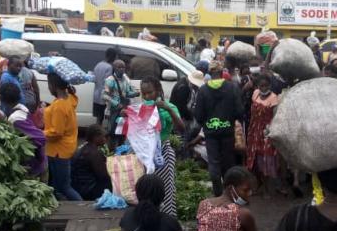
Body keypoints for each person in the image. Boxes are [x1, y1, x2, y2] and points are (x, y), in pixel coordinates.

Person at [194, 60, 244, 196]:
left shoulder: (203, 90)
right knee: (228, 162)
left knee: (214, 162)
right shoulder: (232, 88)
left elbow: (198, 115)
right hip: (227, 133)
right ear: (222, 73)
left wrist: (206, 123)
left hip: (210, 134)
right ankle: (230, 193)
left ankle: (218, 194)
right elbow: (240, 111)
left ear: (209, 73)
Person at [141, 77, 185, 217]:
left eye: (150, 92)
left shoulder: (169, 107)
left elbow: (181, 128)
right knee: (146, 191)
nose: (147, 96)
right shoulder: (142, 108)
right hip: (145, 155)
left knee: (165, 189)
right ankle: (147, 218)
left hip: (163, 154)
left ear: (158, 90)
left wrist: (168, 110)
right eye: (144, 93)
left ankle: (165, 220)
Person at [44, 73, 81, 201]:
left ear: (53, 86)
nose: (48, 88)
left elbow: (57, 132)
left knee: (64, 187)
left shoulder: (59, 105)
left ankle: (82, 208)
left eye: (49, 84)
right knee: (56, 185)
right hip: (67, 147)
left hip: (58, 151)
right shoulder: (69, 99)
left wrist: (39, 133)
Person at [1, 83, 46, 179]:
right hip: (37, 162)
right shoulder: (21, 108)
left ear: (2, 100)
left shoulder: (15, 119)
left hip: (33, 166)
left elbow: (41, 137)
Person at [246, 75, 280, 195]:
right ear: (258, 86)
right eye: (261, 85)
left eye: (266, 85)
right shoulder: (255, 93)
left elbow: (275, 117)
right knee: (253, 160)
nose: (263, 88)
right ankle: (258, 183)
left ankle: (267, 188)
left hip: (265, 133)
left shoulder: (274, 98)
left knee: (265, 160)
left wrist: (270, 132)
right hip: (253, 130)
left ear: (270, 85)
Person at [104, 59, 140, 143]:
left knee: (123, 130)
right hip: (114, 109)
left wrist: (135, 93)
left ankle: (120, 148)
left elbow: (127, 93)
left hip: (124, 109)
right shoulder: (110, 80)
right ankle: (111, 149)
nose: (122, 69)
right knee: (113, 131)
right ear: (114, 68)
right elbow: (105, 95)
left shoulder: (126, 79)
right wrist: (116, 103)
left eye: (123, 67)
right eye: (119, 67)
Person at [71, 124, 111, 200]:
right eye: (103, 136)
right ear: (96, 137)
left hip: (79, 186)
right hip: (89, 189)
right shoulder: (93, 153)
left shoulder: (84, 148)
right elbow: (103, 175)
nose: (105, 139)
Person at [93, 48, 117, 126]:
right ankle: (101, 134)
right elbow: (108, 83)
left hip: (96, 95)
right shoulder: (109, 67)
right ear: (112, 57)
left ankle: (96, 133)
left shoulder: (98, 64)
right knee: (107, 117)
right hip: (105, 96)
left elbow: (94, 78)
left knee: (99, 118)